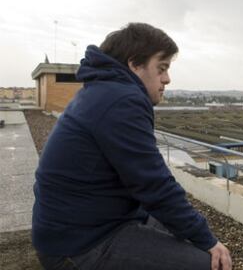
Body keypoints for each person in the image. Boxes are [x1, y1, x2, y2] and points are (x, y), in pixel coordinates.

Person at [32, 23, 232, 270]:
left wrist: (198, 234)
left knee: (185, 234)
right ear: (135, 64)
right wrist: (209, 240)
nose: (167, 79)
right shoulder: (122, 100)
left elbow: (147, 183)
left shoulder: (103, 90)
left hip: (74, 228)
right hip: (79, 247)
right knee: (208, 263)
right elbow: (154, 185)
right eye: (162, 68)